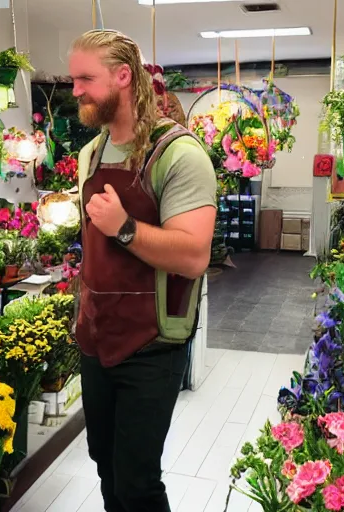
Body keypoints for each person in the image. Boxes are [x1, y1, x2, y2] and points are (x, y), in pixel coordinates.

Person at [69, 30, 217, 512]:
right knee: (103, 460)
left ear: (123, 76)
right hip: (97, 334)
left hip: (153, 342)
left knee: (136, 480)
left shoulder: (180, 154)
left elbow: (194, 256)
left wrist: (125, 227)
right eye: (74, 80)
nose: (74, 91)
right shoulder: (90, 155)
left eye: (85, 79)